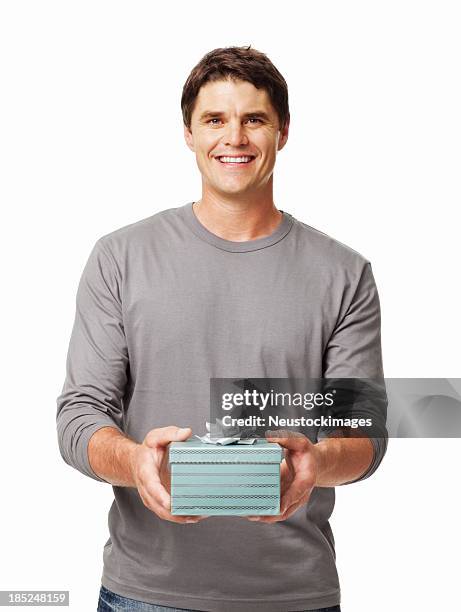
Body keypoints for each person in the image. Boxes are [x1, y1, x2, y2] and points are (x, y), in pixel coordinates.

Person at [56, 46, 387, 612]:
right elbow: (79, 415)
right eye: (215, 119)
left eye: (253, 119)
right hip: (145, 594)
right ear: (188, 133)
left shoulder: (345, 273)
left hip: (294, 596)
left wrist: (316, 464)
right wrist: (135, 460)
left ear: (282, 132)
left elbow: (364, 436)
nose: (234, 137)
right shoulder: (120, 257)